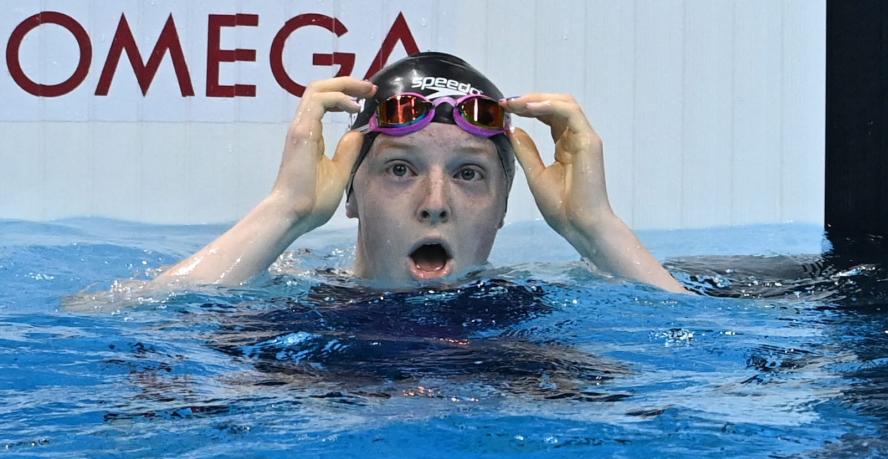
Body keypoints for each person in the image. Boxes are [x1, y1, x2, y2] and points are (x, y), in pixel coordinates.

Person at [151, 52, 686, 294]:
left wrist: (595, 232)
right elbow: (118, 319)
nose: (435, 201)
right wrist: (283, 214)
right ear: (351, 193)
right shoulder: (293, 308)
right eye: (401, 169)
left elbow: (688, 369)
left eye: (469, 174)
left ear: (504, 206)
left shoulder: (535, 321)